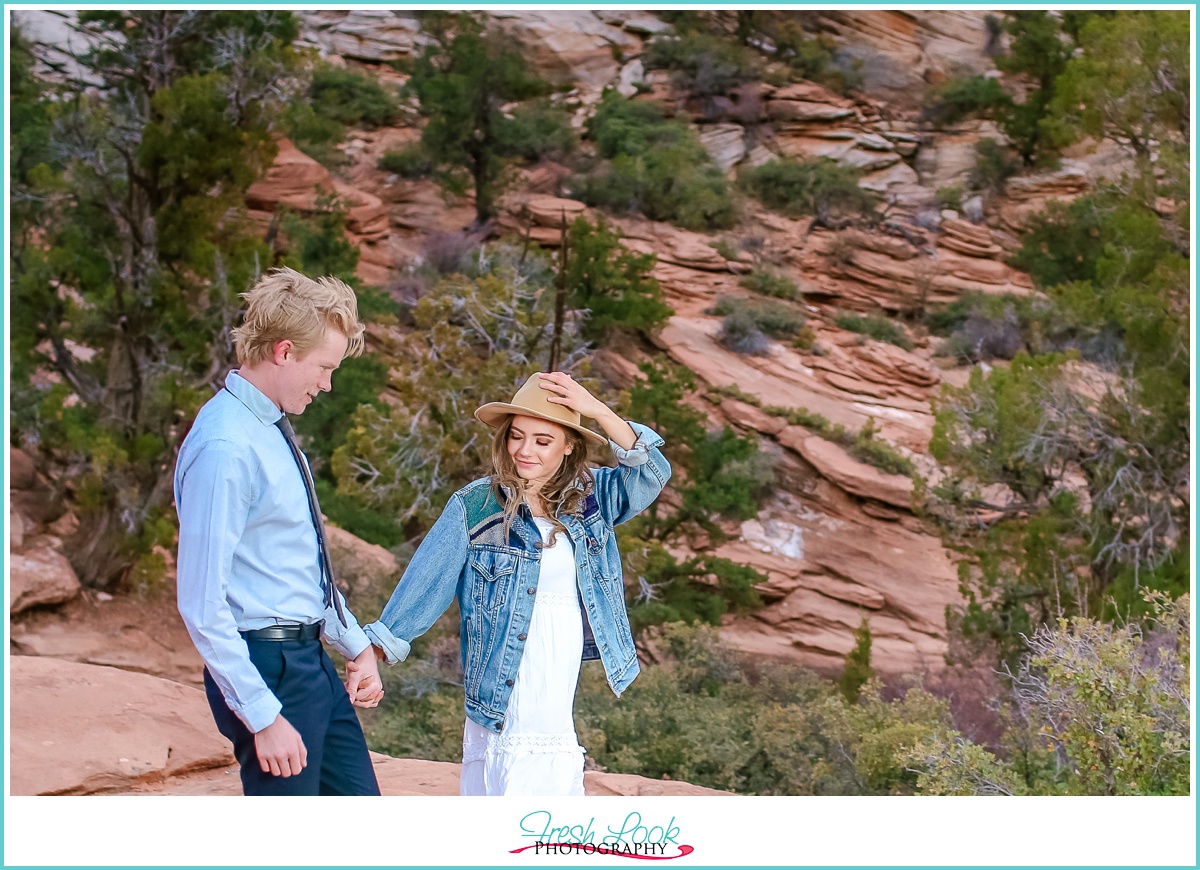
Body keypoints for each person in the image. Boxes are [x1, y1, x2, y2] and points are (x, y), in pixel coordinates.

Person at [356, 371, 670, 796]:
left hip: (558, 659)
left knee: (543, 769)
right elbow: (426, 581)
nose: (524, 451)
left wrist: (595, 408)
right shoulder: (477, 504)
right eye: (517, 436)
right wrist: (374, 650)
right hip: (503, 661)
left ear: (569, 445)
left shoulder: (593, 497)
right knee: (515, 771)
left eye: (543, 441)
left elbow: (651, 470)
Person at [175, 267, 386, 796]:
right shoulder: (226, 448)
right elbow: (201, 603)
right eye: (323, 367)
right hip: (268, 668)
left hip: (308, 660)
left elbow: (293, 564)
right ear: (284, 351)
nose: (328, 383)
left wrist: (353, 644)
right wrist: (263, 717)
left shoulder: (268, 431)